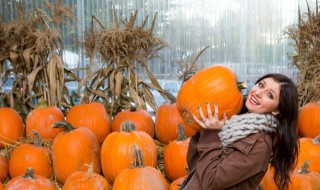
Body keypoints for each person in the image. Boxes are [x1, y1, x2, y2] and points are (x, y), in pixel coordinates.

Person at [179, 73, 299, 190]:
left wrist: (210, 133)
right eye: (261, 85)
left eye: (269, 95)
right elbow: (196, 168)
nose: (258, 93)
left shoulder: (260, 144)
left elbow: (210, 182)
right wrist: (202, 128)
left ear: (277, 110)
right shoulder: (231, 120)